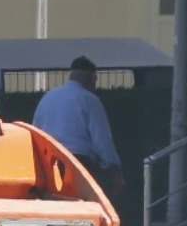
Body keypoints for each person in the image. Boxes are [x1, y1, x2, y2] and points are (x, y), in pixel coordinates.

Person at [32, 55, 123, 191]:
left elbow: (35, 130)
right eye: (95, 80)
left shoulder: (48, 97)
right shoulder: (89, 100)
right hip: (77, 163)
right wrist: (114, 168)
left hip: (47, 163)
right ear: (90, 78)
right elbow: (102, 140)